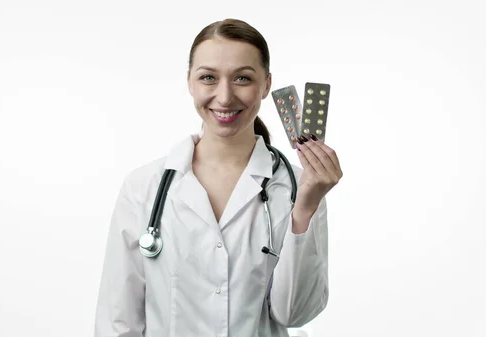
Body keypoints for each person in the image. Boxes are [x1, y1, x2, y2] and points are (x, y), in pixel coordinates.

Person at [94, 18, 343, 337]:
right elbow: (118, 322)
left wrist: (306, 207)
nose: (224, 97)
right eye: (208, 77)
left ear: (266, 85)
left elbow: (295, 314)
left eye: (242, 78)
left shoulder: (300, 187)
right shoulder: (144, 187)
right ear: (190, 82)